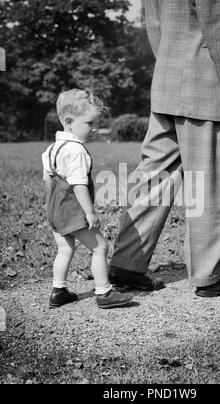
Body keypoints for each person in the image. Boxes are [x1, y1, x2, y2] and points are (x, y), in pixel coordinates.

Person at [109, 0, 220, 298]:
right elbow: (218, 27)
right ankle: (209, 276)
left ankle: (127, 264)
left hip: (167, 83)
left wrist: (170, 65)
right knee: (210, 182)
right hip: (205, 87)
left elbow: (154, 25)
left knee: (154, 178)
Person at [42, 89, 134, 309]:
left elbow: (47, 179)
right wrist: (89, 212)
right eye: (90, 123)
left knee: (64, 250)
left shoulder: (52, 148)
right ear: (69, 121)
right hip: (74, 211)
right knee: (99, 247)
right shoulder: (76, 151)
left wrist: (54, 204)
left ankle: (58, 290)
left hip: (55, 209)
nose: (94, 129)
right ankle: (104, 292)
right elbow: (79, 185)